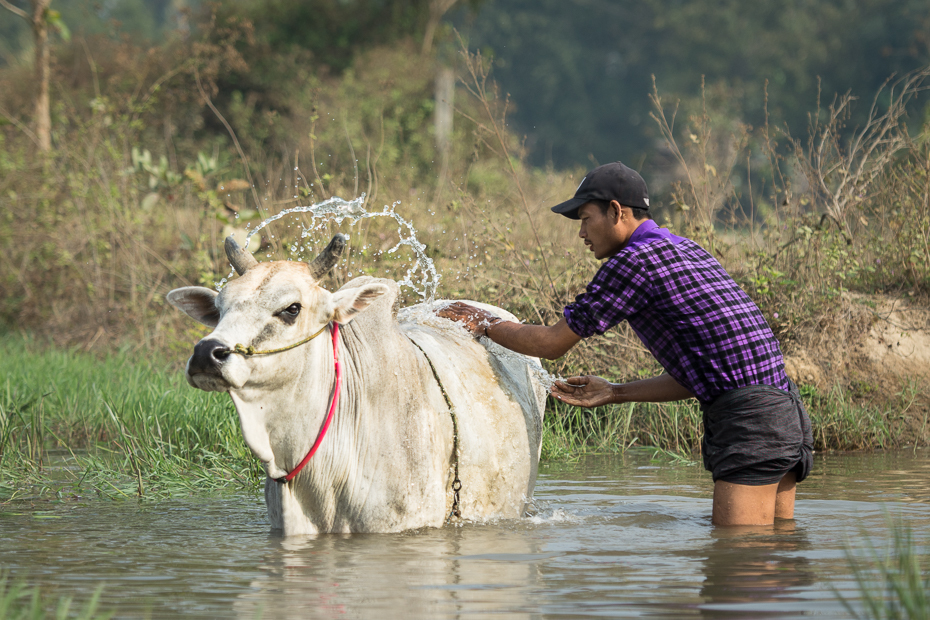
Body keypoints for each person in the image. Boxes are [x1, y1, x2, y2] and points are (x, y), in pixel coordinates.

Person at [438, 161, 813, 526]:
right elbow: (705, 376)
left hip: (751, 422)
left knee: (738, 560)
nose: (582, 233)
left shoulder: (635, 261)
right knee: (774, 555)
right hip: (785, 415)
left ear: (616, 211)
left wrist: (484, 323)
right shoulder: (687, 249)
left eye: (586, 219)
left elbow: (551, 343)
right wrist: (615, 393)